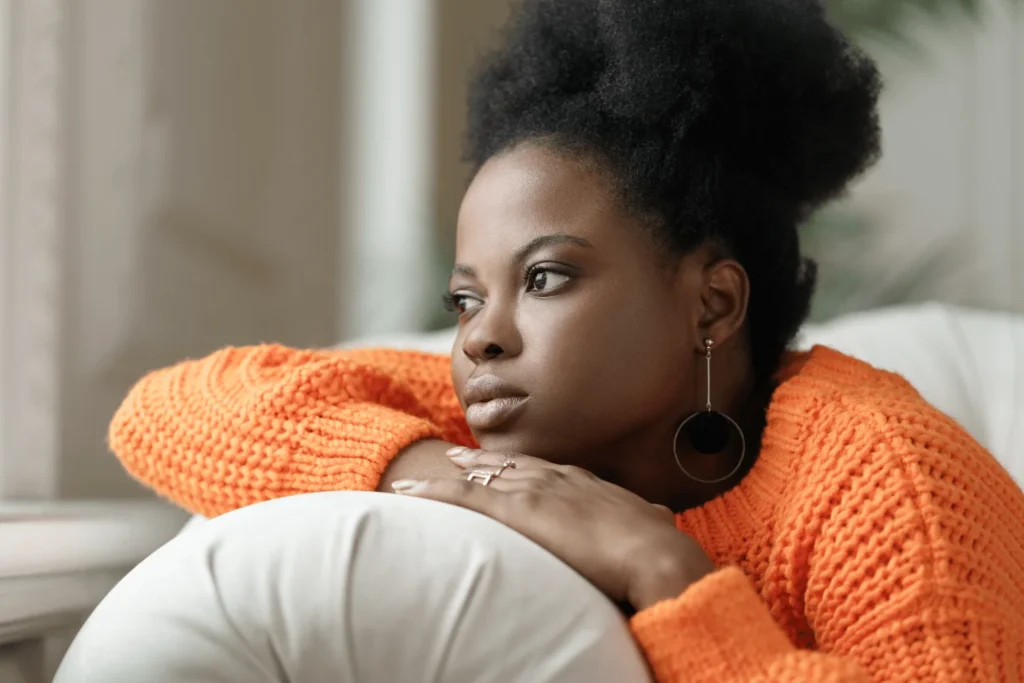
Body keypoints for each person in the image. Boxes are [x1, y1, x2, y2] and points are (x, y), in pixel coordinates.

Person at [108, 0, 1024, 681]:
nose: (481, 340)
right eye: (464, 298)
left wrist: (666, 571)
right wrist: (466, 479)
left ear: (712, 304)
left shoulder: (888, 480)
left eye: (545, 277)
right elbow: (172, 407)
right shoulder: (510, 427)